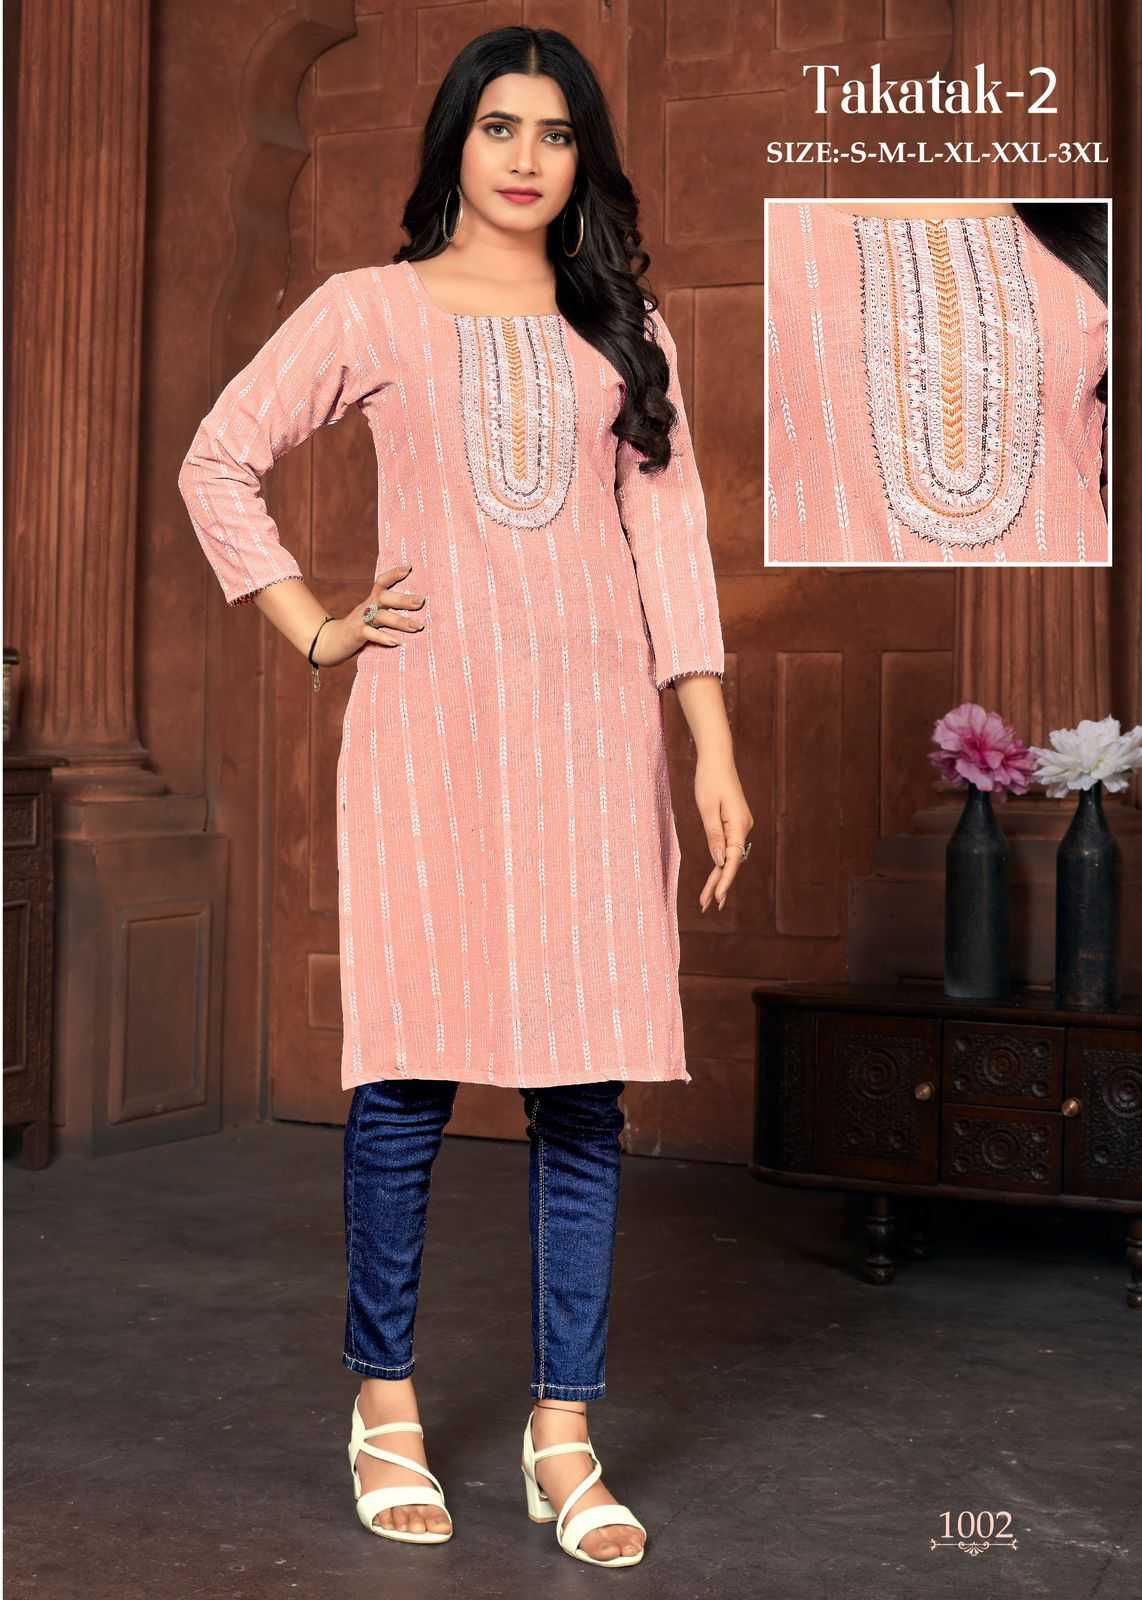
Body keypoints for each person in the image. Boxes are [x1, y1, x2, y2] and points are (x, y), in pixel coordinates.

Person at [178, 23, 752, 1570]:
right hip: (428, 737)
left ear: (583, 161)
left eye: (554, 133)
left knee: (582, 1089)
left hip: (590, 739)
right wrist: (313, 625)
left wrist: (707, 742)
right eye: (498, 125)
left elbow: (671, 540)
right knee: (409, 1075)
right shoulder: (367, 308)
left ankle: (562, 1434)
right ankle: (385, 1403)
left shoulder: (625, 327)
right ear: (453, 142)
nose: (523, 156)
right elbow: (218, 460)